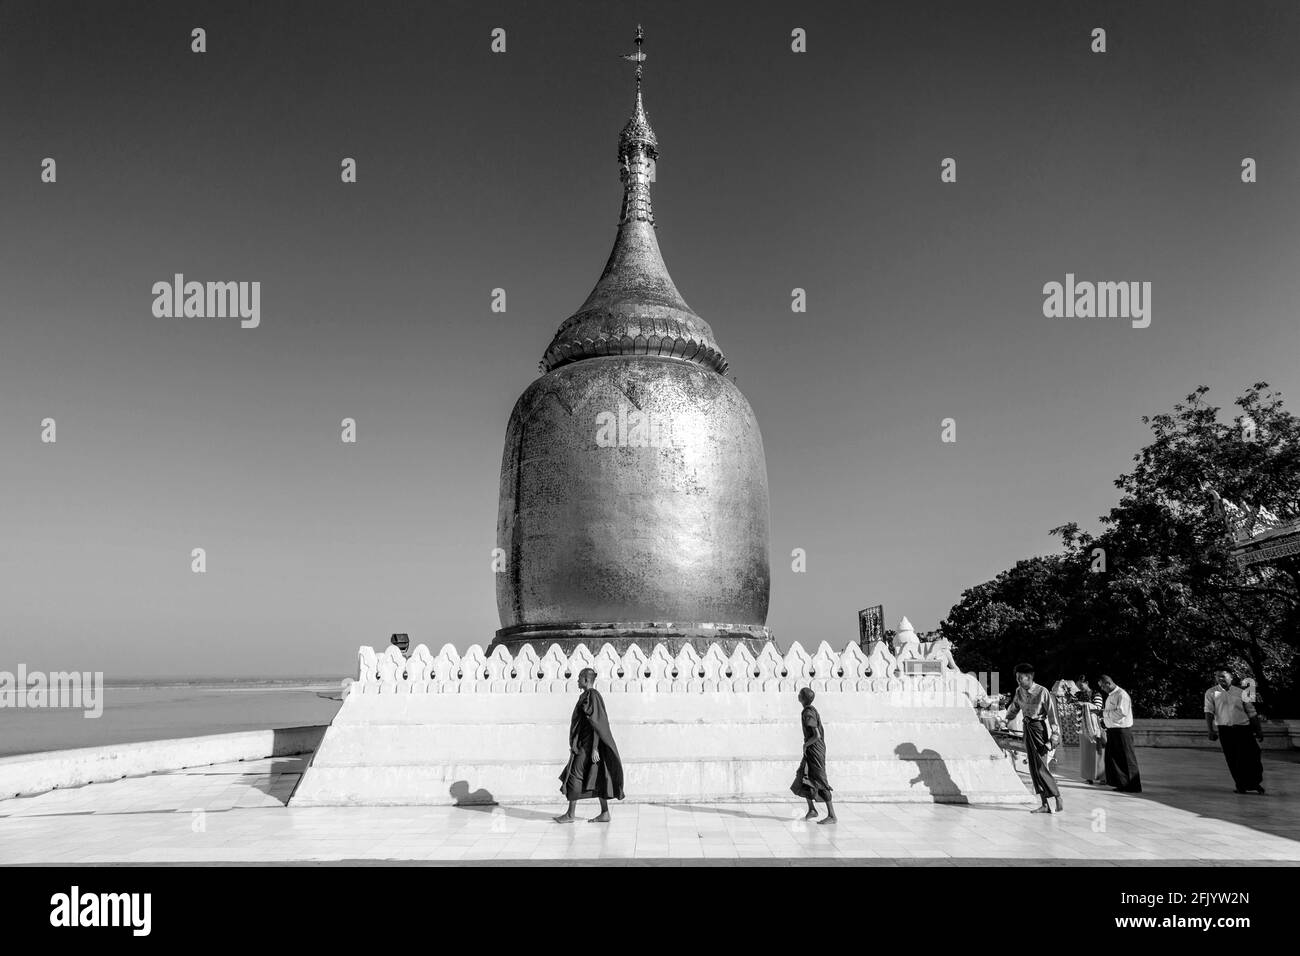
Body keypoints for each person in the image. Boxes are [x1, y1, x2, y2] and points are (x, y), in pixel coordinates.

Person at [555, 667, 625, 823]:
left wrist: (594, 748)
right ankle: (605, 813)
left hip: (587, 747)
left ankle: (570, 814)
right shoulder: (586, 695)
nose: (577, 680)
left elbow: (597, 723)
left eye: (579, 678)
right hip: (583, 744)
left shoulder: (592, 696)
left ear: (586, 680)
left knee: (574, 775)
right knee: (597, 775)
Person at [1003, 663, 1063, 813]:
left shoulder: (1043, 692)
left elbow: (1052, 715)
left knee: (1041, 766)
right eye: (1016, 678)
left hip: (1039, 729)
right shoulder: (1019, 691)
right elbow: (1014, 708)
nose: (1018, 681)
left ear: (1029, 677)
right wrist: (1005, 719)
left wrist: (1055, 735)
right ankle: (1044, 804)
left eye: (1020, 678)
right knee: (1033, 769)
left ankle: (1057, 796)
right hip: (1027, 728)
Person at [1204, 668, 1266, 795]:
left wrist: (1258, 730)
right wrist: (1210, 730)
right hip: (1225, 730)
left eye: (1223, 676)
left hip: (1244, 729)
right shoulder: (1211, 693)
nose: (1220, 679)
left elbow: (1251, 712)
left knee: (1253, 756)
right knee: (1232, 758)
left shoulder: (1241, 692)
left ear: (1231, 677)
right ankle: (1241, 785)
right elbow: (1209, 712)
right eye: (1217, 676)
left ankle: (1254, 783)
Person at [789, 687, 836, 824]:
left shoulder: (808, 712)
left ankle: (832, 815)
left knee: (821, 780)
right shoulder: (809, 710)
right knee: (804, 777)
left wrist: (806, 744)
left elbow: (817, 735)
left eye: (800, 694)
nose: (798, 695)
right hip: (811, 750)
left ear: (803, 698)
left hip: (815, 749)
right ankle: (812, 809)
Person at [1098, 674, 1142, 793]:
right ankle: (1122, 783)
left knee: (1127, 758)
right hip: (1113, 731)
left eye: (1102, 686)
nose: (1102, 688)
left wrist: (1104, 714)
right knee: (1114, 759)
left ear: (1108, 683)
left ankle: (1133, 786)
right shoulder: (1111, 696)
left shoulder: (1122, 695)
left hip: (1122, 731)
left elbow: (1121, 713)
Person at [1074, 676, 1105, 785]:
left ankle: (1102, 777)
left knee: (1097, 752)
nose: (1079, 687)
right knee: (1086, 753)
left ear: (1087, 682)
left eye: (1081, 684)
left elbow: (1098, 708)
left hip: (1095, 727)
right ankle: (1089, 777)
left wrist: (1084, 704)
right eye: (1077, 685)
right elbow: (1076, 708)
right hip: (1083, 727)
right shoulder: (1078, 695)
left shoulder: (1096, 694)